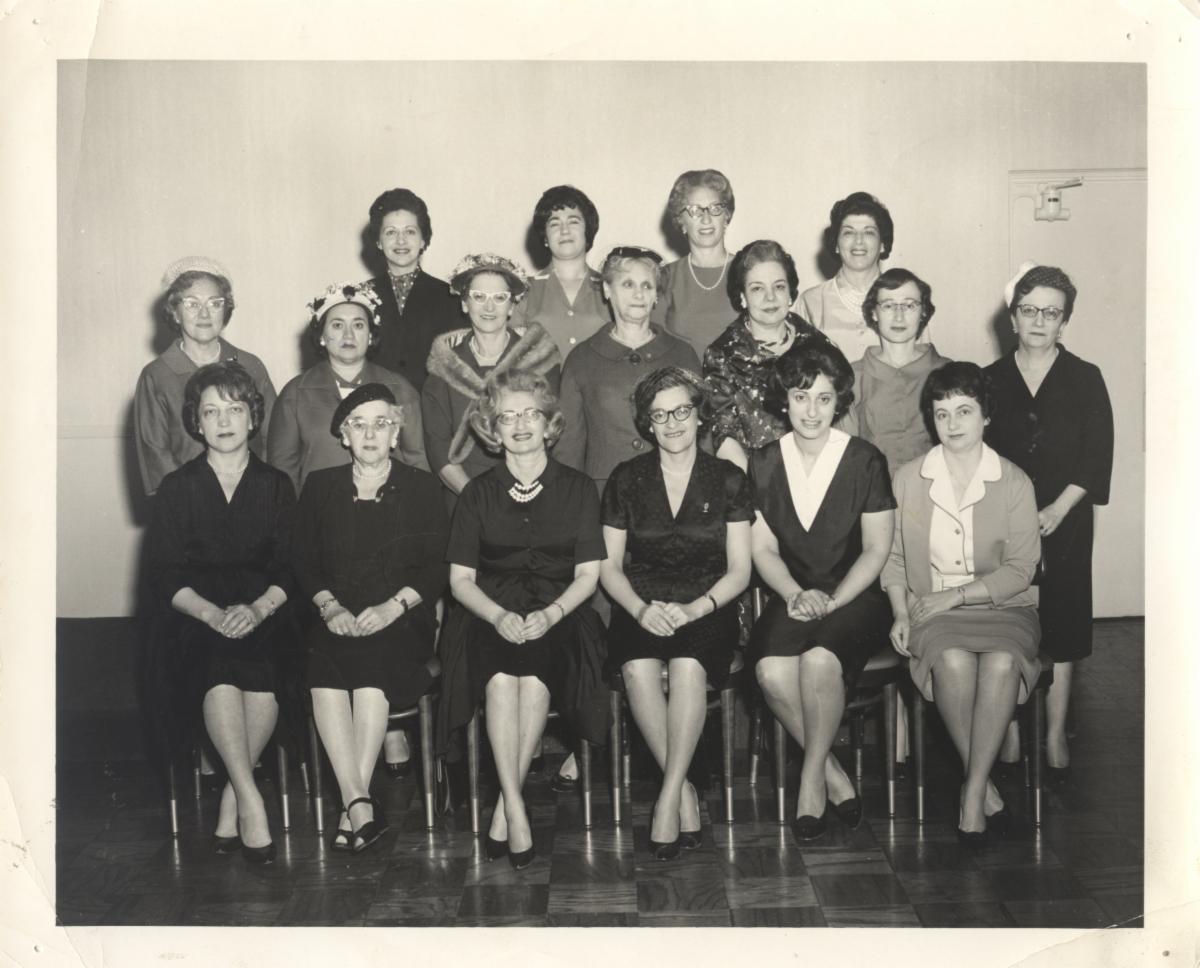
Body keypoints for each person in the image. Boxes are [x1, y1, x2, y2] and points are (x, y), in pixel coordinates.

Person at [437, 370, 609, 870]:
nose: (519, 425)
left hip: (562, 611)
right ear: (491, 428)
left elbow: (588, 575)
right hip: (486, 613)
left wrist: (551, 614)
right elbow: (460, 581)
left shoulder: (578, 488)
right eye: (506, 416)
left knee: (533, 675)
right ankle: (515, 805)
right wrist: (498, 617)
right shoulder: (477, 493)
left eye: (531, 414)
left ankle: (504, 811)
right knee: (498, 680)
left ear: (549, 423)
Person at [883, 362, 1042, 846]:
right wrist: (900, 612)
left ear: (986, 416)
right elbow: (893, 559)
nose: (952, 424)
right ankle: (984, 788)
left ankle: (972, 791)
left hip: (1004, 605)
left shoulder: (1014, 481)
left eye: (964, 411)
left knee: (1000, 663)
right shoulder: (909, 479)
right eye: (942, 413)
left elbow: (1021, 569)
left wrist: (953, 596)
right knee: (951, 660)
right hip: (931, 609)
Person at [145, 361, 295, 864]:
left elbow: (290, 568)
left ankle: (233, 798)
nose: (224, 421)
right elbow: (164, 575)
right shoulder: (177, 487)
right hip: (194, 617)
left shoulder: (276, 485)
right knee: (217, 665)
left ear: (253, 417)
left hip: (265, 610)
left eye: (234, 409)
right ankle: (252, 799)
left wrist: (258, 609)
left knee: (267, 666)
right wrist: (212, 615)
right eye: (211, 412)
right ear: (197, 422)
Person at [600, 367, 753, 859]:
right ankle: (683, 789)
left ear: (699, 414)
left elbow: (740, 571)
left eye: (682, 411)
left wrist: (695, 608)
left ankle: (667, 798)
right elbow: (608, 566)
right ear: (647, 423)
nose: (672, 424)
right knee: (638, 667)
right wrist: (639, 610)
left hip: (707, 603)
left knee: (688, 666)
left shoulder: (728, 479)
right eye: (660, 415)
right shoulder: (626, 479)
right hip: (641, 603)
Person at [748, 342, 895, 843]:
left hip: (856, 597)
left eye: (824, 399)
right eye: (800, 397)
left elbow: (876, 550)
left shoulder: (865, 460)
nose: (811, 411)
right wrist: (795, 594)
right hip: (794, 595)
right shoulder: (764, 463)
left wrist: (834, 600)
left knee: (817, 661)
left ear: (839, 402)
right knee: (770, 671)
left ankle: (810, 781)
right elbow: (763, 548)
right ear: (784, 400)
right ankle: (832, 770)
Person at [292, 384, 449, 853]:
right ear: (343, 436)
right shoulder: (320, 486)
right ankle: (359, 803)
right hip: (335, 617)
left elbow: (437, 566)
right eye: (358, 425)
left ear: (396, 433)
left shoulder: (422, 487)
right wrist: (330, 607)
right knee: (323, 668)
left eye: (381, 424)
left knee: (373, 664)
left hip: (402, 618)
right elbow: (303, 561)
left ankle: (352, 805)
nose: (370, 434)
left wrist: (392, 607)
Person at [984, 264, 1113, 782]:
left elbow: (1097, 456)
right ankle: (1010, 727)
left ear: (1065, 321)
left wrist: (1059, 509)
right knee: (1009, 619)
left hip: (1067, 519)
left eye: (1051, 313)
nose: (1039, 321)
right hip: (1004, 523)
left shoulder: (1085, 378)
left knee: (1063, 621)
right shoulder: (990, 379)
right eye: (1030, 310)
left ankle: (1056, 731)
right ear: (1013, 317)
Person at [557, 245, 701, 494]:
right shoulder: (581, 359)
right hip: (605, 495)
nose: (638, 294)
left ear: (656, 295)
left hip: (674, 491)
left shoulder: (682, 354)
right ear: (607, 289)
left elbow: (701, 435)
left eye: (647, 286)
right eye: (628, 284)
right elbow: (568, 447)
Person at [422, 253, 561, 502]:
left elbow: (551, 435)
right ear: (465, 304)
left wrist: (522, 496)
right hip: (464, 495)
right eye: (479, 297)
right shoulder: (444, 367)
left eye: (499, 298)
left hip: (532, 492)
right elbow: (438, 449)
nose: (489, 307)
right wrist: (478, 501)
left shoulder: (540, 361)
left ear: (512, 306)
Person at [135, 256, 276, 497]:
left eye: (214, 303)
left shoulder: (251, 365)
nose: (204, 314)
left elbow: (274, 437)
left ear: (225, 311)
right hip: (186, 499)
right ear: (175, 312)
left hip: (252, 494)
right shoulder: (156, 375)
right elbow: (155, 453)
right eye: (192, 304)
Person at [268, 282, 428, 494]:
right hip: (318, 510)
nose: (348, 335)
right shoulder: (295, 394)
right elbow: (282, 472)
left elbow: (417, 461)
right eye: (337, 325)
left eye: (358, 325)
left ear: (370, 335)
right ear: (322, 336)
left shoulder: (400, 390)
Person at [704, 239, 835, 470]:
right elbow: (724, 436)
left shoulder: (818, 344)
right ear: (742, 296)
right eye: (757, 288)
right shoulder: (722, 355)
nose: (770, 297)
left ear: (790, 293)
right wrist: (757, 485)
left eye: (779, 287)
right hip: (755, 479)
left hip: (820, 473)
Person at [845, 268, 951, 474]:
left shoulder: (947, 371)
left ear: (923, 312)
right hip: (872, 488)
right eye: (888, 305)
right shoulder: (853, 377)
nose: (899, 317)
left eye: (909, 305)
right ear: (874, 313)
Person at [363, 188, 465, 392]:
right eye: (391, 232)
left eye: (410, 231)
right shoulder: (360, 296)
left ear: (423, 239)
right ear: (378, 241)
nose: (401, 240)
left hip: (431, 403)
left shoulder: (451, 297)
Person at [796, 191, 895, 363]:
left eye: (869, 232)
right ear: (836, 244)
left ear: (883, 244)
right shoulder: (811, 302)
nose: (858, 241)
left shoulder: (905, 298)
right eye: (849, 232)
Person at [510, 185, 609, 356]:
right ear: (545, 237)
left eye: (573, 221)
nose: (564, 230)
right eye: (554, 224)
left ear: (587, 230)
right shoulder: (523, 291)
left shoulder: (612, 287)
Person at [651, 169, 739, 358]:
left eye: (715, 208)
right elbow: (654, 346)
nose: (706, 219)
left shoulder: (748, 271)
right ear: (681, 221)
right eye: (695, 210)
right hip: (681, 375)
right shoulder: (664, 277)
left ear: (726, 216)